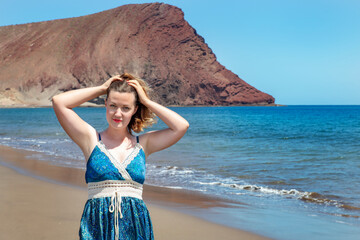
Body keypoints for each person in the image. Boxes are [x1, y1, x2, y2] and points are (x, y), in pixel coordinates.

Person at [52, 73, 189, 239]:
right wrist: (102, 89)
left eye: (126, 108)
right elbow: (59, 102)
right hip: (97, 226)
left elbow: (181, 126)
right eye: (113, 105)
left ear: (135, 109)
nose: (118, 113)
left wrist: (146, 101)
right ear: (105, 104)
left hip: (136, 226)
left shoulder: (143, 144)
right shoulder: (91, 140)